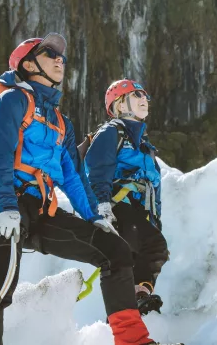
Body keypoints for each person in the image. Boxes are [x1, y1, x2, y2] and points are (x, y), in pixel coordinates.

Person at [0, 33, 163, 345]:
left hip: (36, 208)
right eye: (50, 54)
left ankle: (132, 341)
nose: (60, 59)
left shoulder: (60, 122)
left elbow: (73, 177)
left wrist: (95, 215)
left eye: (62, 56)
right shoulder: (11, 101)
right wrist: (5, 205)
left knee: (114, 251)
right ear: (29, 64)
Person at [85, 79, 169, 317]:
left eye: (145, 95)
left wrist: (155, 218)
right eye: (136, 95)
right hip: (117, 204)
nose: (144, 99)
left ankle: (139, 294)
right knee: (132, 248)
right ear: (120, 106)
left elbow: (154, 187)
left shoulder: (143, 145)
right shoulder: (111, 132)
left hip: (139, 209)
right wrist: (102, 204)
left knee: (155, 249)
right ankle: (127, 300)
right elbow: (97, 168)